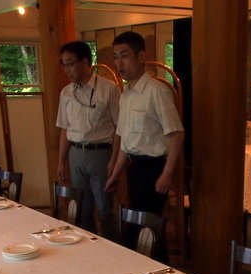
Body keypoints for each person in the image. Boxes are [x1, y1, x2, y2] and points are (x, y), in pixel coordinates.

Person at [105, 31, 184, 215]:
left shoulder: (157, 91)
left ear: (141, 57)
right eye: (116, 57)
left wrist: (167, 173)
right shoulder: (125, 95)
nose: (119, 63)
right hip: (133, 168)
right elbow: (125, 141)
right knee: (135, 222)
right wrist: (115, 174)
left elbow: (177, 134)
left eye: (124, 56)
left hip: (153, 168)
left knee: (149, 225)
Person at [56, 41, 121, 238]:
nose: (67, 69)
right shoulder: (66, 92)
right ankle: (88, 247)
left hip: (101, 154)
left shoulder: (109, 89)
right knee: (81, 209)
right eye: (64, 64)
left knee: (104, 209)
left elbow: (119, 128)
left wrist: (114, 160)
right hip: (76, 154)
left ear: (85, 62)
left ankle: (111, 249)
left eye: (70, 63)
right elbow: (65, 129)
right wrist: (61, 162)